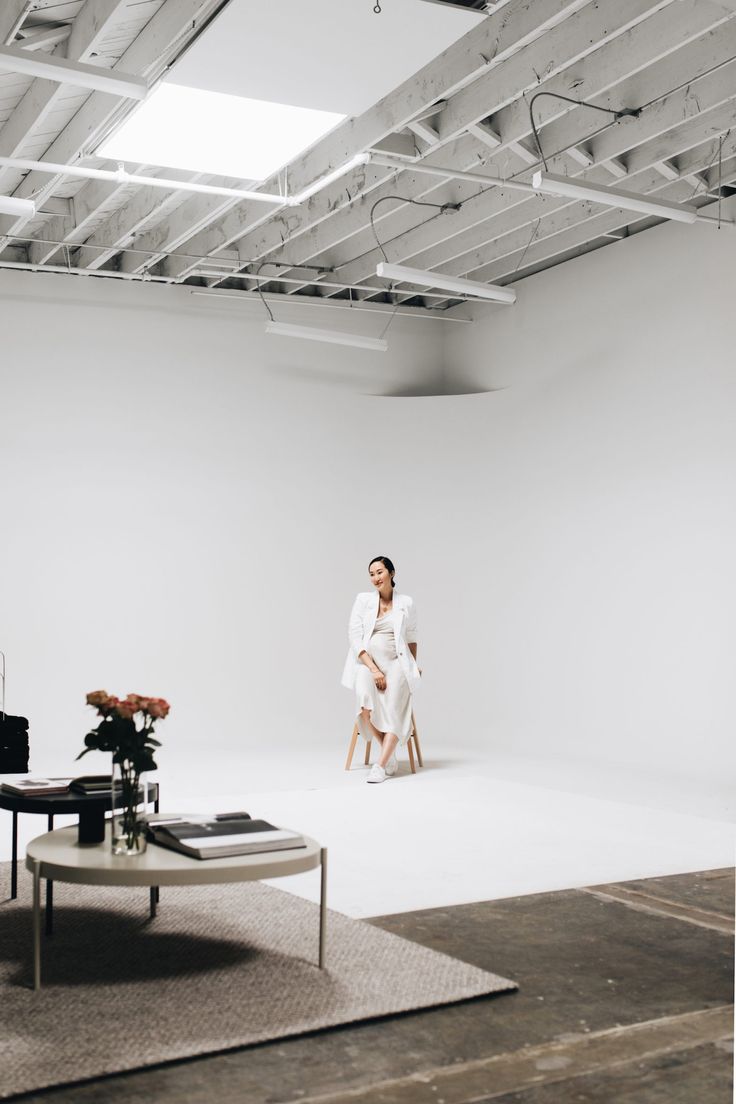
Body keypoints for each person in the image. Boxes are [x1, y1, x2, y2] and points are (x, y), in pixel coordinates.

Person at [341, 556, 421, 783]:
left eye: (379, 572)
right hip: (368, 664)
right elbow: (354, 637)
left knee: (395, 706)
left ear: (392, 573)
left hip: (397, 663)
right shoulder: (363, 600)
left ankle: (381, 764)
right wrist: (374, 670)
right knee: (364, 703)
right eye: (371, 574)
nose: (375, 578)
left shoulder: (407, 602)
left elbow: (412, 637)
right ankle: (389, 750)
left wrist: (411, 667)